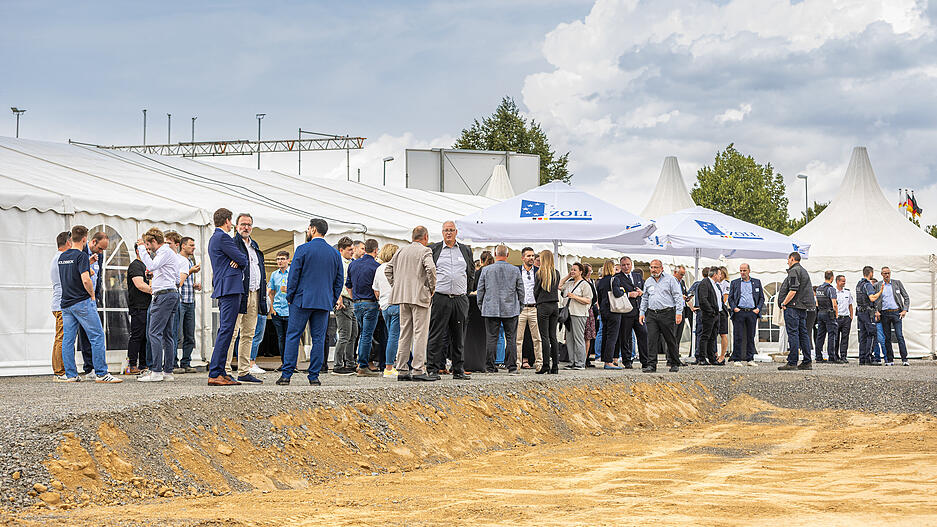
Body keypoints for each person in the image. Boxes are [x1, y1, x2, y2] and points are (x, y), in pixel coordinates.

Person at [278, 218, 343, 385]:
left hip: (301, 300)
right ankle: (314, 377)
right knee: (319, 339)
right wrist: (332, 298)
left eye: (308, 229)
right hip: (323, 301)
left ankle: (286, 375)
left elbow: (294, 276)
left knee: (293, 336)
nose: (307, 231)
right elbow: (338, 280)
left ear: (313, 229)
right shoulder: (335, 253)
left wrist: (290, 296)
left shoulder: (303, 249)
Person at [57, 225, 122, 383]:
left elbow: (69, 276)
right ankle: (101, 373)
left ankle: (71, 375)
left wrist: (87, 263)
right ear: (85, 239)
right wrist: (92, 295)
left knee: (68, 340)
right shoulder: (80, 256)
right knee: (97, 336)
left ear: (71, 238)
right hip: (81, 301)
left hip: (66, 303)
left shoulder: (62, 257)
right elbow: (85, 279)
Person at [385, 226, 438, 381]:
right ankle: (418, 369)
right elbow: (431, 268)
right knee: (420, 333)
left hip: (402, 296)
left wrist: (397, 284)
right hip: (419, 297)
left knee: (404, 332)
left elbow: (388, 269)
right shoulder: (425, 251)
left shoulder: (401, 250)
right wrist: (431, 288)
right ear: (426, 237)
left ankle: (401, 369)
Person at [136, 227, 189, 382]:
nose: (147, 247)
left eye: (147, 244)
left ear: (153, 241)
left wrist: (141, 249)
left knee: (154, 333)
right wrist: (156, 275)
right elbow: (171, 276)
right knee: (167, 334)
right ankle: (167, 372)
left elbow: (151, 265)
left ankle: (156, 371)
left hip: (164, 295)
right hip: (171, 293)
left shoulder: (164, 252)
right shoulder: (167, 253)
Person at [427, 222, 474, 379]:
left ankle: (458, 369)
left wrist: (466, 292)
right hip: (440, 297)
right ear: (442, 232)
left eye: (451, 230)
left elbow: (471, 272)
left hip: (460, 298)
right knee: (436, 334)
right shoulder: (435, 249)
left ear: (456, 232)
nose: (449, 233)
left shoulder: (465, 250)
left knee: (458, 335)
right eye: (446, 230)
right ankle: (433, 368)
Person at [207, 208, 248, 386]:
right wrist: (238, 261)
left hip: (225, 287)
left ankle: (221, 371)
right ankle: (216, 372)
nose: (231, 225)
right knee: (226, 330)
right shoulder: (223, 237)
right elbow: (243, 259)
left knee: (226, 330)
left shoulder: (214, 238)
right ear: (227, 221)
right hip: (229, 288)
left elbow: (238, 259)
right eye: (231, 221)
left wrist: (236, 260)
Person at [225, 214, 267, 384]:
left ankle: (244, 370)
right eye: (243, 224)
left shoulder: (255, 246)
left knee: (248, 334)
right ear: (236, 226)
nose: (246, 227)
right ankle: (226, 369)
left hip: (255, 293)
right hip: (239, 293)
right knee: (231, 333)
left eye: (249, 225)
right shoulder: (232, 244)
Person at [477, 244, 524, 374]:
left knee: (491, 338)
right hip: (511, 309)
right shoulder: (515, 270)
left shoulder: (486, 270)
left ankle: (490, 366)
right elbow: (521, 290)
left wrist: (481, 306)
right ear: (507, 255)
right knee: (511, 338)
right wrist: (520, 306)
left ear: (495, 254)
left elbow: (480, 290)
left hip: (491, 308)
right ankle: (512, 366)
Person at [638, 259, 684, 373]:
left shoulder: (670, 279)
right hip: (652, 313)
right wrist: (642, 312)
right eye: (652, 267)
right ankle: (651, 365)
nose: (653, 270)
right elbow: (645, 298)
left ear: (661, 268)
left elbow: (677, 296)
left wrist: (679, 312)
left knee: (670, 339)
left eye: (656, 267)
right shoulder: (648, 281)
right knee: (651, 340)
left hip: (667, 313)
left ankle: (674, 362)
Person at [346, 238, 382, 377]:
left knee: (362, 335)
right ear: (375, 250)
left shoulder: (353, 265)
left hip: (357, 303)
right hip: (370, 303)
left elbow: (348, 285)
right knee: (366, 335)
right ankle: (363, 365)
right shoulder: (376, 267)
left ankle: (361, 362)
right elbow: (377, 289)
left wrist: (354, 298)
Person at [76, 231, 109, 376]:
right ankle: (89, 367)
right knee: (86, 333)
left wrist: (97, 295)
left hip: (93, 297)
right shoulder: (81, 252)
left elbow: (99, 275)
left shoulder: (99, 255)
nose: (101, 252)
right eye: (100, 248)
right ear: (93, 242)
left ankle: (95, 366)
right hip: (82, 297)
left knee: (94, 333)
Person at [778, 252, 816, 370]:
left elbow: (793, 289)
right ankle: (807, 361)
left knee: (793, 333)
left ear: (792, 258)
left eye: (788, 259)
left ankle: (792, 362)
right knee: (803, 334)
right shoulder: (803, 271)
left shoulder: (794, 270)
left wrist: (784, 302)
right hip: (802, 307)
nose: (787, 262)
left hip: (793, 307)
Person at [727, 263, 764, 364]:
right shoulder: (735, 283)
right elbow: (730, 298)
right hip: (739, 312)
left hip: (752, 312)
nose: (742, 273)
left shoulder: (756, 282)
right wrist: (734, 308)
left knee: (750, 336)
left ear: (749, 271)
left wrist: (758, 308)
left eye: (744, 270)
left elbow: (761, 297)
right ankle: (737, 359)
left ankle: (750, 358)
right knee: (738, 336)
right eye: (741, 271)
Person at [372, 244, 400, 378]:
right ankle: (389, 367)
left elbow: (375, 289)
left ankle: (390, 365)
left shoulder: (379, 269)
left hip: (384, 306)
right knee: (395, 337)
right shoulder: (397, 268)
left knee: (390, 337)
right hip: (396, 304)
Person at [559, 262, 593, 370]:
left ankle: (580, 362)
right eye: (571, 269)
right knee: (569, 338)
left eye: (574, 270)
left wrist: (575, 297)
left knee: (579, 338)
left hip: (579, 313)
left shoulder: (585, 285)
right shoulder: (569, 283)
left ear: (581, 272)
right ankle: (572, 361)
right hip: (569, 314)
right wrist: (568, 276)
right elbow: (559, 286)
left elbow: (588, 300)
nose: (572, 271)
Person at [174, 236, 200, 374]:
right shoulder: (177, 260)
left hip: (190, 300)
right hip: (180, 300)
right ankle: (173, 363)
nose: (193, 247)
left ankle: (186, 362)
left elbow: (186, 280)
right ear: (183, 246)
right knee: (176, 334)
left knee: (189, 335)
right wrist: (191, 272)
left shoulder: (190, 260)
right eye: (191, 245)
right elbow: (177, 279)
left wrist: (195, 285)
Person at [126, 241, 152, 376]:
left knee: (145, 337)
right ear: (138, 251)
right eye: (146, 249)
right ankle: (132, 364)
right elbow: (139, 285)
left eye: (149, 249)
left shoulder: (147, 265)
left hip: (147, 305)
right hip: (138, 306)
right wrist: (155, 290)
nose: (149, 251)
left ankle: (143, 364)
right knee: (137, 336)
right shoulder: (135, 266)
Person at [332, 237, 358, 375]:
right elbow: (335, 282)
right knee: (344, 335)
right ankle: (337, 365)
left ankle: (350, 362)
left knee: (353, 333)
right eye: (349, 250)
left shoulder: (352, 263)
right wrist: (338, 298)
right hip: (342, 302)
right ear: (341, 250)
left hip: (351, 301)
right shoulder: (338, 263)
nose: (352, 252)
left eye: (353, 249)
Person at [515, 247, 543, 371]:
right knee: (518, 338)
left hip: (534, 308)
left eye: (532, 256)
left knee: (537, 338)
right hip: (521, 307)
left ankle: (539, 363)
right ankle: (517, 363)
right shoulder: (516, 271)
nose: (531, 258)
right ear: (523, 258)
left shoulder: (538, 271)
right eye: (528, 256)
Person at [876, 266, 911, 366]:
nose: (887, 275)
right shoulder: (878, 285)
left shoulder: (897, 283)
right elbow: (874, 299)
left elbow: (906, 297)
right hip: (884, 313)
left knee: (899, 336)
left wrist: (905, 310)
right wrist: (876, 311)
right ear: (881, 274)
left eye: (888, 273)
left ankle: (904, 359)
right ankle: (890, 360)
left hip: (896, 313)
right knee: (887, 337)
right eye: (885, 273)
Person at [617, 256, 647, 369]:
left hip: (639, 312)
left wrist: (641, 293)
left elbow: (645, 292)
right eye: (623, 265)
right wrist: (629, 294)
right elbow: (616, 293)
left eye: (628, 264)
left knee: (643, 334)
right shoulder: (617, 278)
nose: (626, 267)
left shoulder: (637, 276)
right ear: (620, 266)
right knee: (626, 337)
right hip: (626, 311)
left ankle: (645, 360)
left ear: (631, 264)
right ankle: (627, 360)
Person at [534, 249, 561, 374]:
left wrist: (538, 301)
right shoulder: (556, 273)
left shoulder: (540, 273)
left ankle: (545, 365)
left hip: (543, 305)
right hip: (555, 305)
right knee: (553, 336)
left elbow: (536, 291)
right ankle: (555, 366)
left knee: (544, 337)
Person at [595, 260, 624, 371]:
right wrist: (623, 291)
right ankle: (609, 361)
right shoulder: (614, 279)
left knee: (605, 335)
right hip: (613, 310)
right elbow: (617, 293)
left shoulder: (600, 281)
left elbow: (599, 296)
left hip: (604, 310)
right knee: (613, 336)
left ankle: (605, 358)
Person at [50, 231, 71, 381]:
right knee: (61, 337)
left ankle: (62, 369)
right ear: (68, 243)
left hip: (60, 302)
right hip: (60, 303)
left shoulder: (58, 258)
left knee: (63, 336)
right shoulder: (61, 259)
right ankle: (59, 371)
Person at [853, 267, 884, 365]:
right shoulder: (867, 285)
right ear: (870, 273)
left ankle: (862, 359)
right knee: (872, 334)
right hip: (867, 313)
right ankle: (868, 357)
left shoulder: (859, 284)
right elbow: (872, 298)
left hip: (860, 313)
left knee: (863, 336)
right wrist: (880, 291)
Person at [267, 250, 291, 369]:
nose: (279, 261)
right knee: (281, 338)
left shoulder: (293, 273)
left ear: (288, 260)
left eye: (282, 259)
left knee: (290, 338)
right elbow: (270, 292)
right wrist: (271, 308)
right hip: (277, 310)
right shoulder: (274, 275)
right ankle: (284, 363)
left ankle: (291, 363)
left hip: (290, 311)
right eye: (277, 259)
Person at [696, 267, 721, 365]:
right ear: (714, 274)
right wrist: (711, 311)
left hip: (716, 314)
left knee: (713, 337)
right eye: (719, 274)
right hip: (708, 315)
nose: (720, 276)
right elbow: (703, 299)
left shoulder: (715, 285)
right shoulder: (705, 283)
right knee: (705, 336)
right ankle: (702, 358)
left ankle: (712, 358)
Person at [813, 271, 838, 362]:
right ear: (832, 277)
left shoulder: (819, 288)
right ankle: (832, 357)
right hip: (829, 313)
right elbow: (834, 304)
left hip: (820, 313)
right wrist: (836, 315)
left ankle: (818, 356)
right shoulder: (831, 289)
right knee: (832, 335)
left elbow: (816, 303)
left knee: (820, 335)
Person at [833, 275, 854, 364]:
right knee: (836, 338)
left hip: (846, 318)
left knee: (845, 338)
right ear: (837, 281)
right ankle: (835, 355)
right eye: (842, 281)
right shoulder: (833, 292)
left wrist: (851, 317)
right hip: (837, 318)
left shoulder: (847, 292)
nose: (844, 283)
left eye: (845, 281)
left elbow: (850, 305)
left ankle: (843, 356)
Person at [673, 265, 691, 364]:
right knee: (673, 335)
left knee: (679, 334)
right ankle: (671, 358)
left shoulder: (682, 282)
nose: (682, 276)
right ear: (675, 273)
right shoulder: (671, 282)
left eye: (683, 275)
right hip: (674, 310)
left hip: (682, 309)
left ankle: (676, 357)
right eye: (680, 274)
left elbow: (684, 293)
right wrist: (680, 297)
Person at [583, 263, 599, 367]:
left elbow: (595, 296)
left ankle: (587, 358)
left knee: (590, 336)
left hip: (592, 310)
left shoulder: (592, 281)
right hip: (584, 310)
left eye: (591, 271)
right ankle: (583, 359)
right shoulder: (581, 282)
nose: (589, 273)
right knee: (584, 336)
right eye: (588, 271)